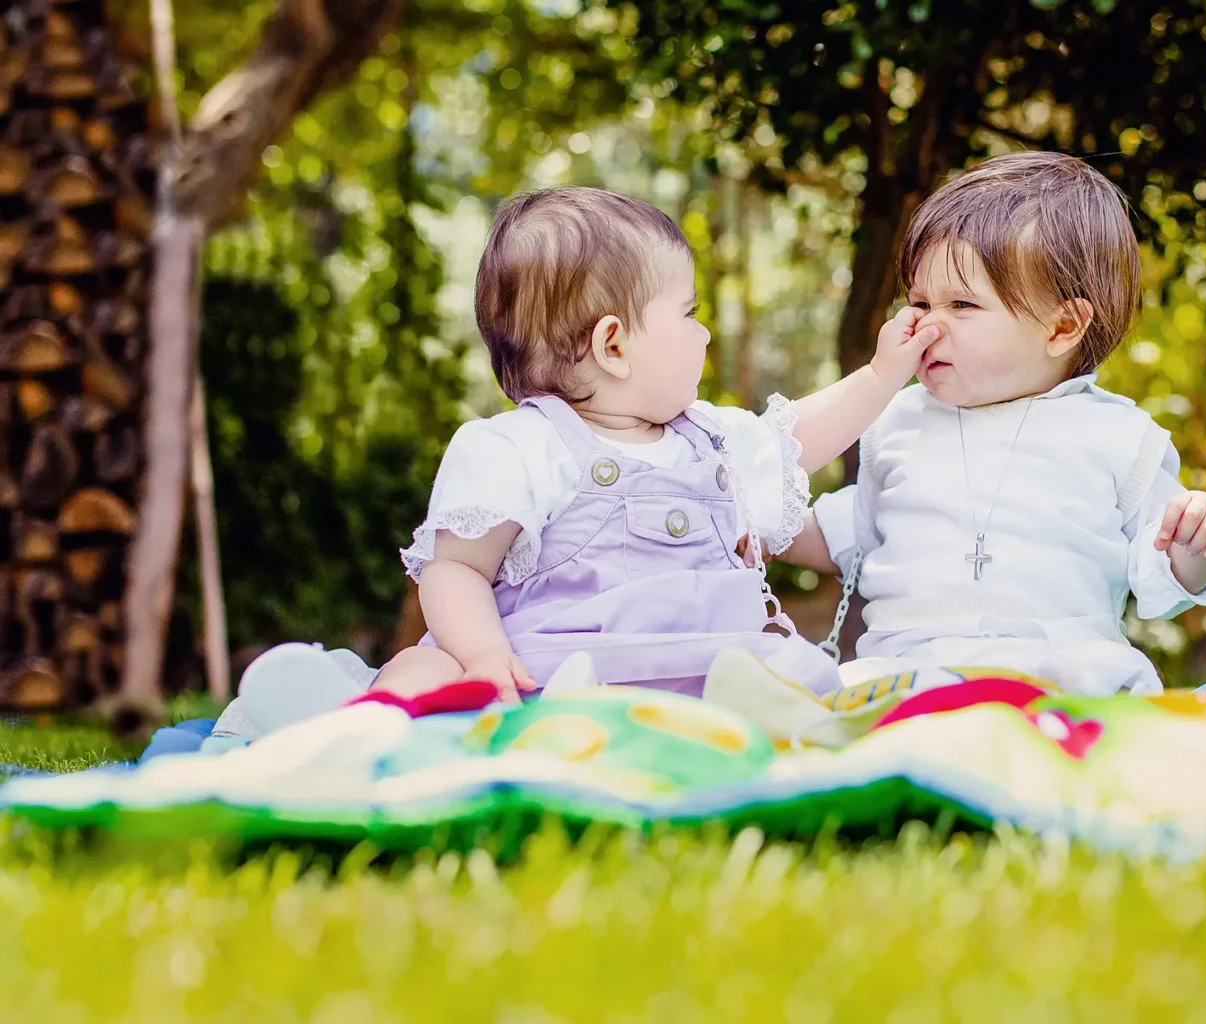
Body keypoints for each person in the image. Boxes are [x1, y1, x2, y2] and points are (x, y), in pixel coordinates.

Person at [231, 185, 933, 731]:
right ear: (614, 345)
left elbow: (796, 438)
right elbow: (456, 570)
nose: (705, 332)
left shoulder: (708, 437)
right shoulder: (517, 447)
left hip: (709, 672)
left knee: (796, 679)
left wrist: (879, 376)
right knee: (428, 668)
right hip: (551, 680)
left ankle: (782, 723)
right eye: (687, 314)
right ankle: (359, 725)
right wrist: (481, 656)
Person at [782, 152, 1206, 696]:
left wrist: (1197, 546)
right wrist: (753, 519)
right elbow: (849, 532)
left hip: (1064, 675)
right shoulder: (896, 420)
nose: (928, 325)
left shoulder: (1118, 436)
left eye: (961, 304)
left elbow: (1163, 575)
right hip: (910, 675)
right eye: (919, 301)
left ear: (1063, 325)